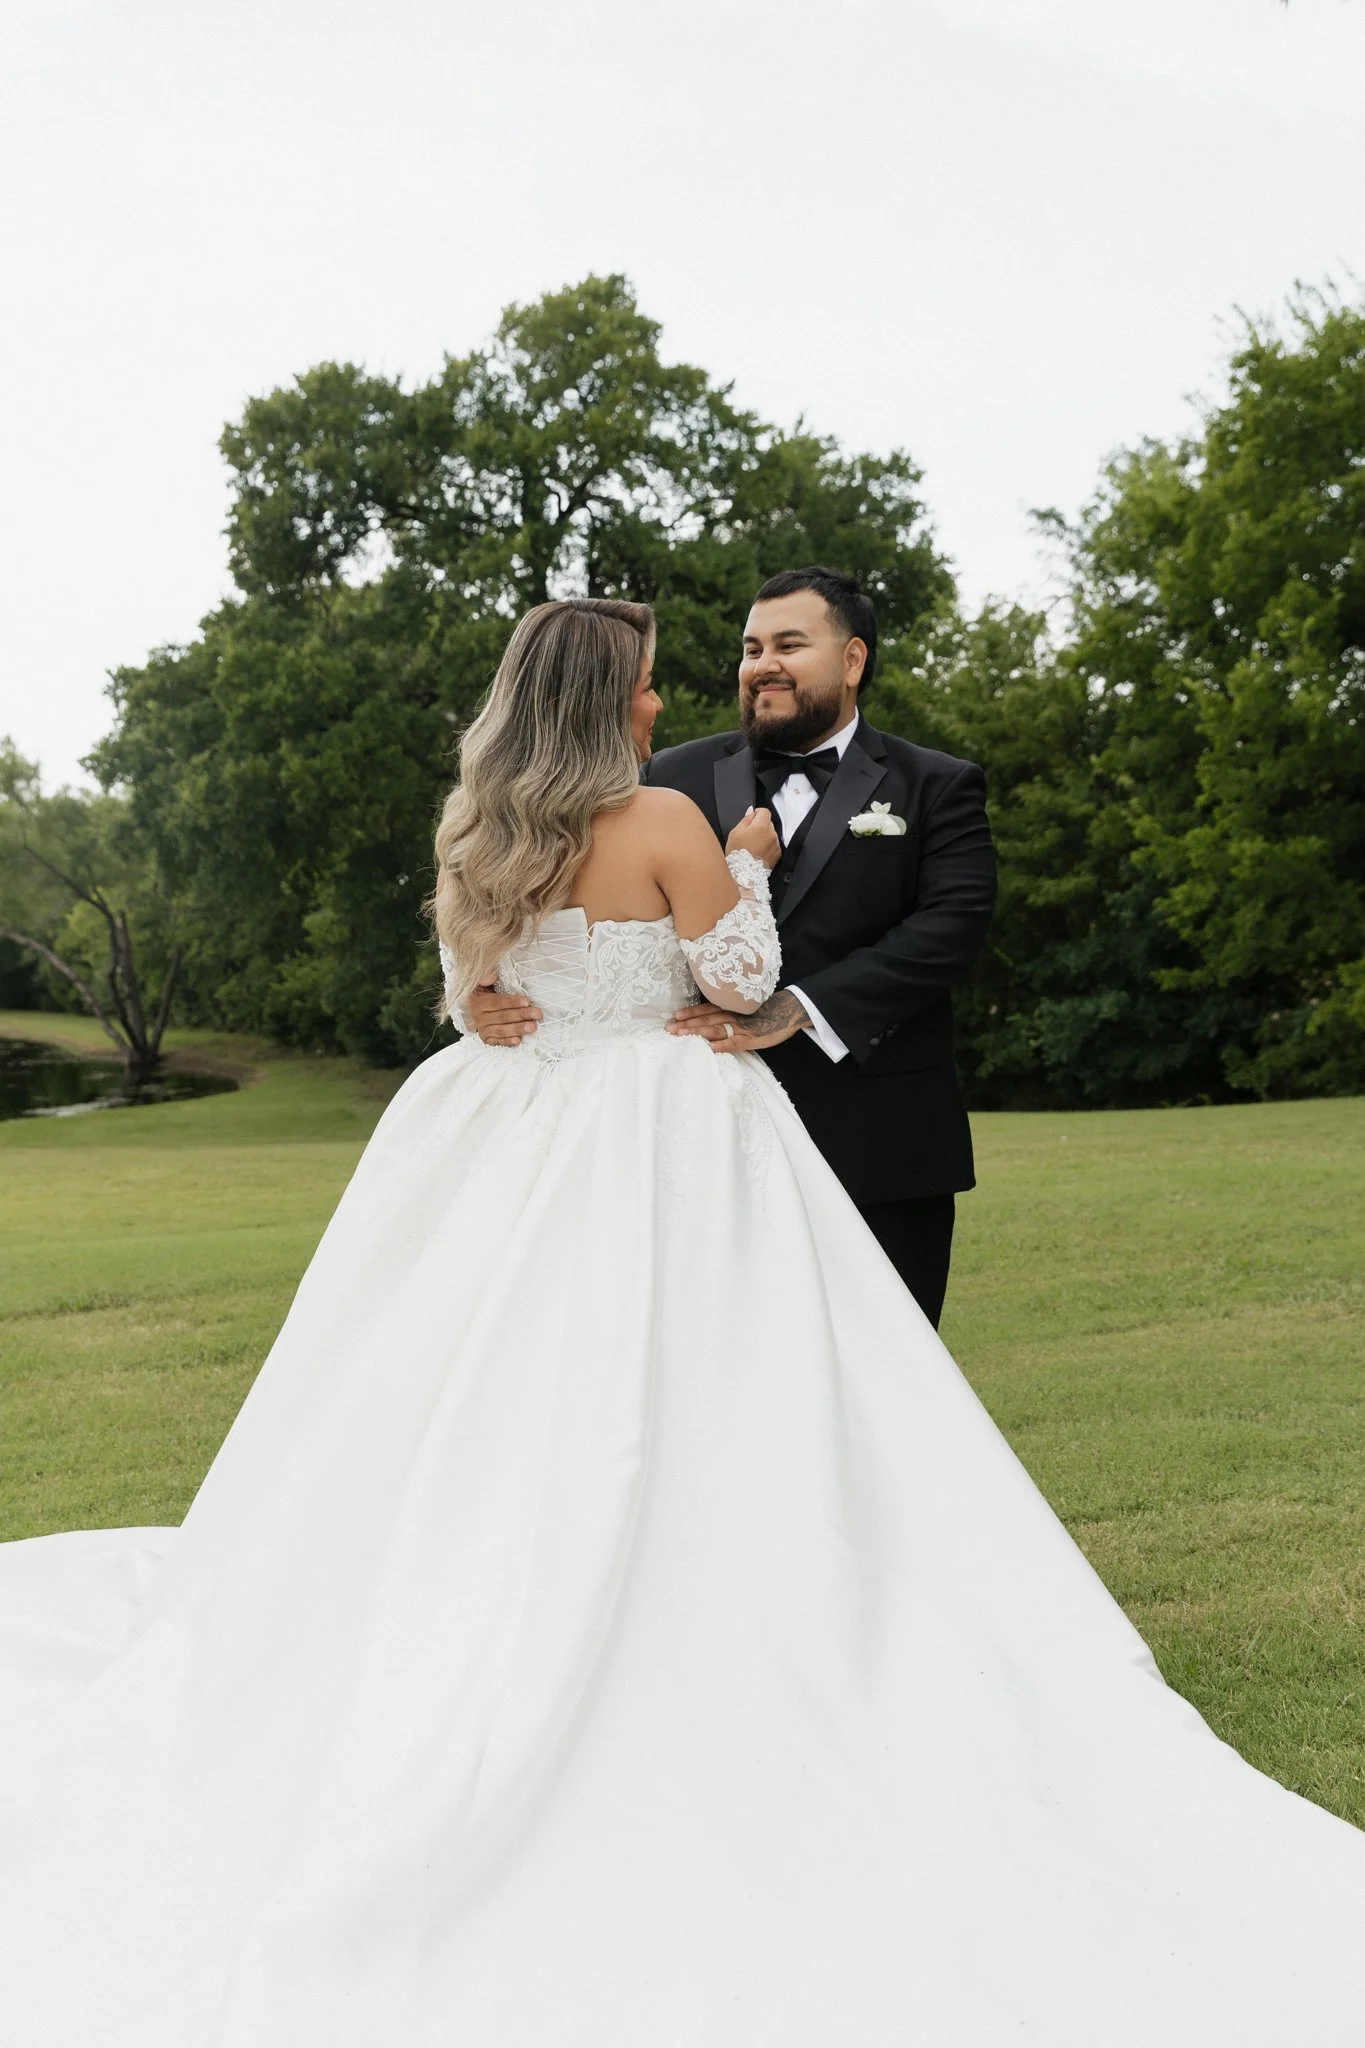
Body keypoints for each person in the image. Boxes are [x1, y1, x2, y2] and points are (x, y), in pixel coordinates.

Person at [1, 596, 1364, 2048]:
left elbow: (478, 994)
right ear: (609, 702)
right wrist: (749, 859)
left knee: (498, 1385)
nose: (667, 708)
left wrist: (489, 999)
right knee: (700, 1380)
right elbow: (741, 979)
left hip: (512, 1140)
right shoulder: (658, 819)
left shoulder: (477, 829)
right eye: (648, 688)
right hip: (653, 1135)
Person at [466, 567, 995, 1327]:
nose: (761, 665)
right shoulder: (662, 777)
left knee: (891, 1370)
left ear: (852, 662)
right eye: (750, 648)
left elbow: (951, 928)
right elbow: (560, 897)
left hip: (878, 1135)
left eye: (788, 644)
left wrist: (800, 1009)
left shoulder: (934, 785)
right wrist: (486, 996)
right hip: (694, 1145)